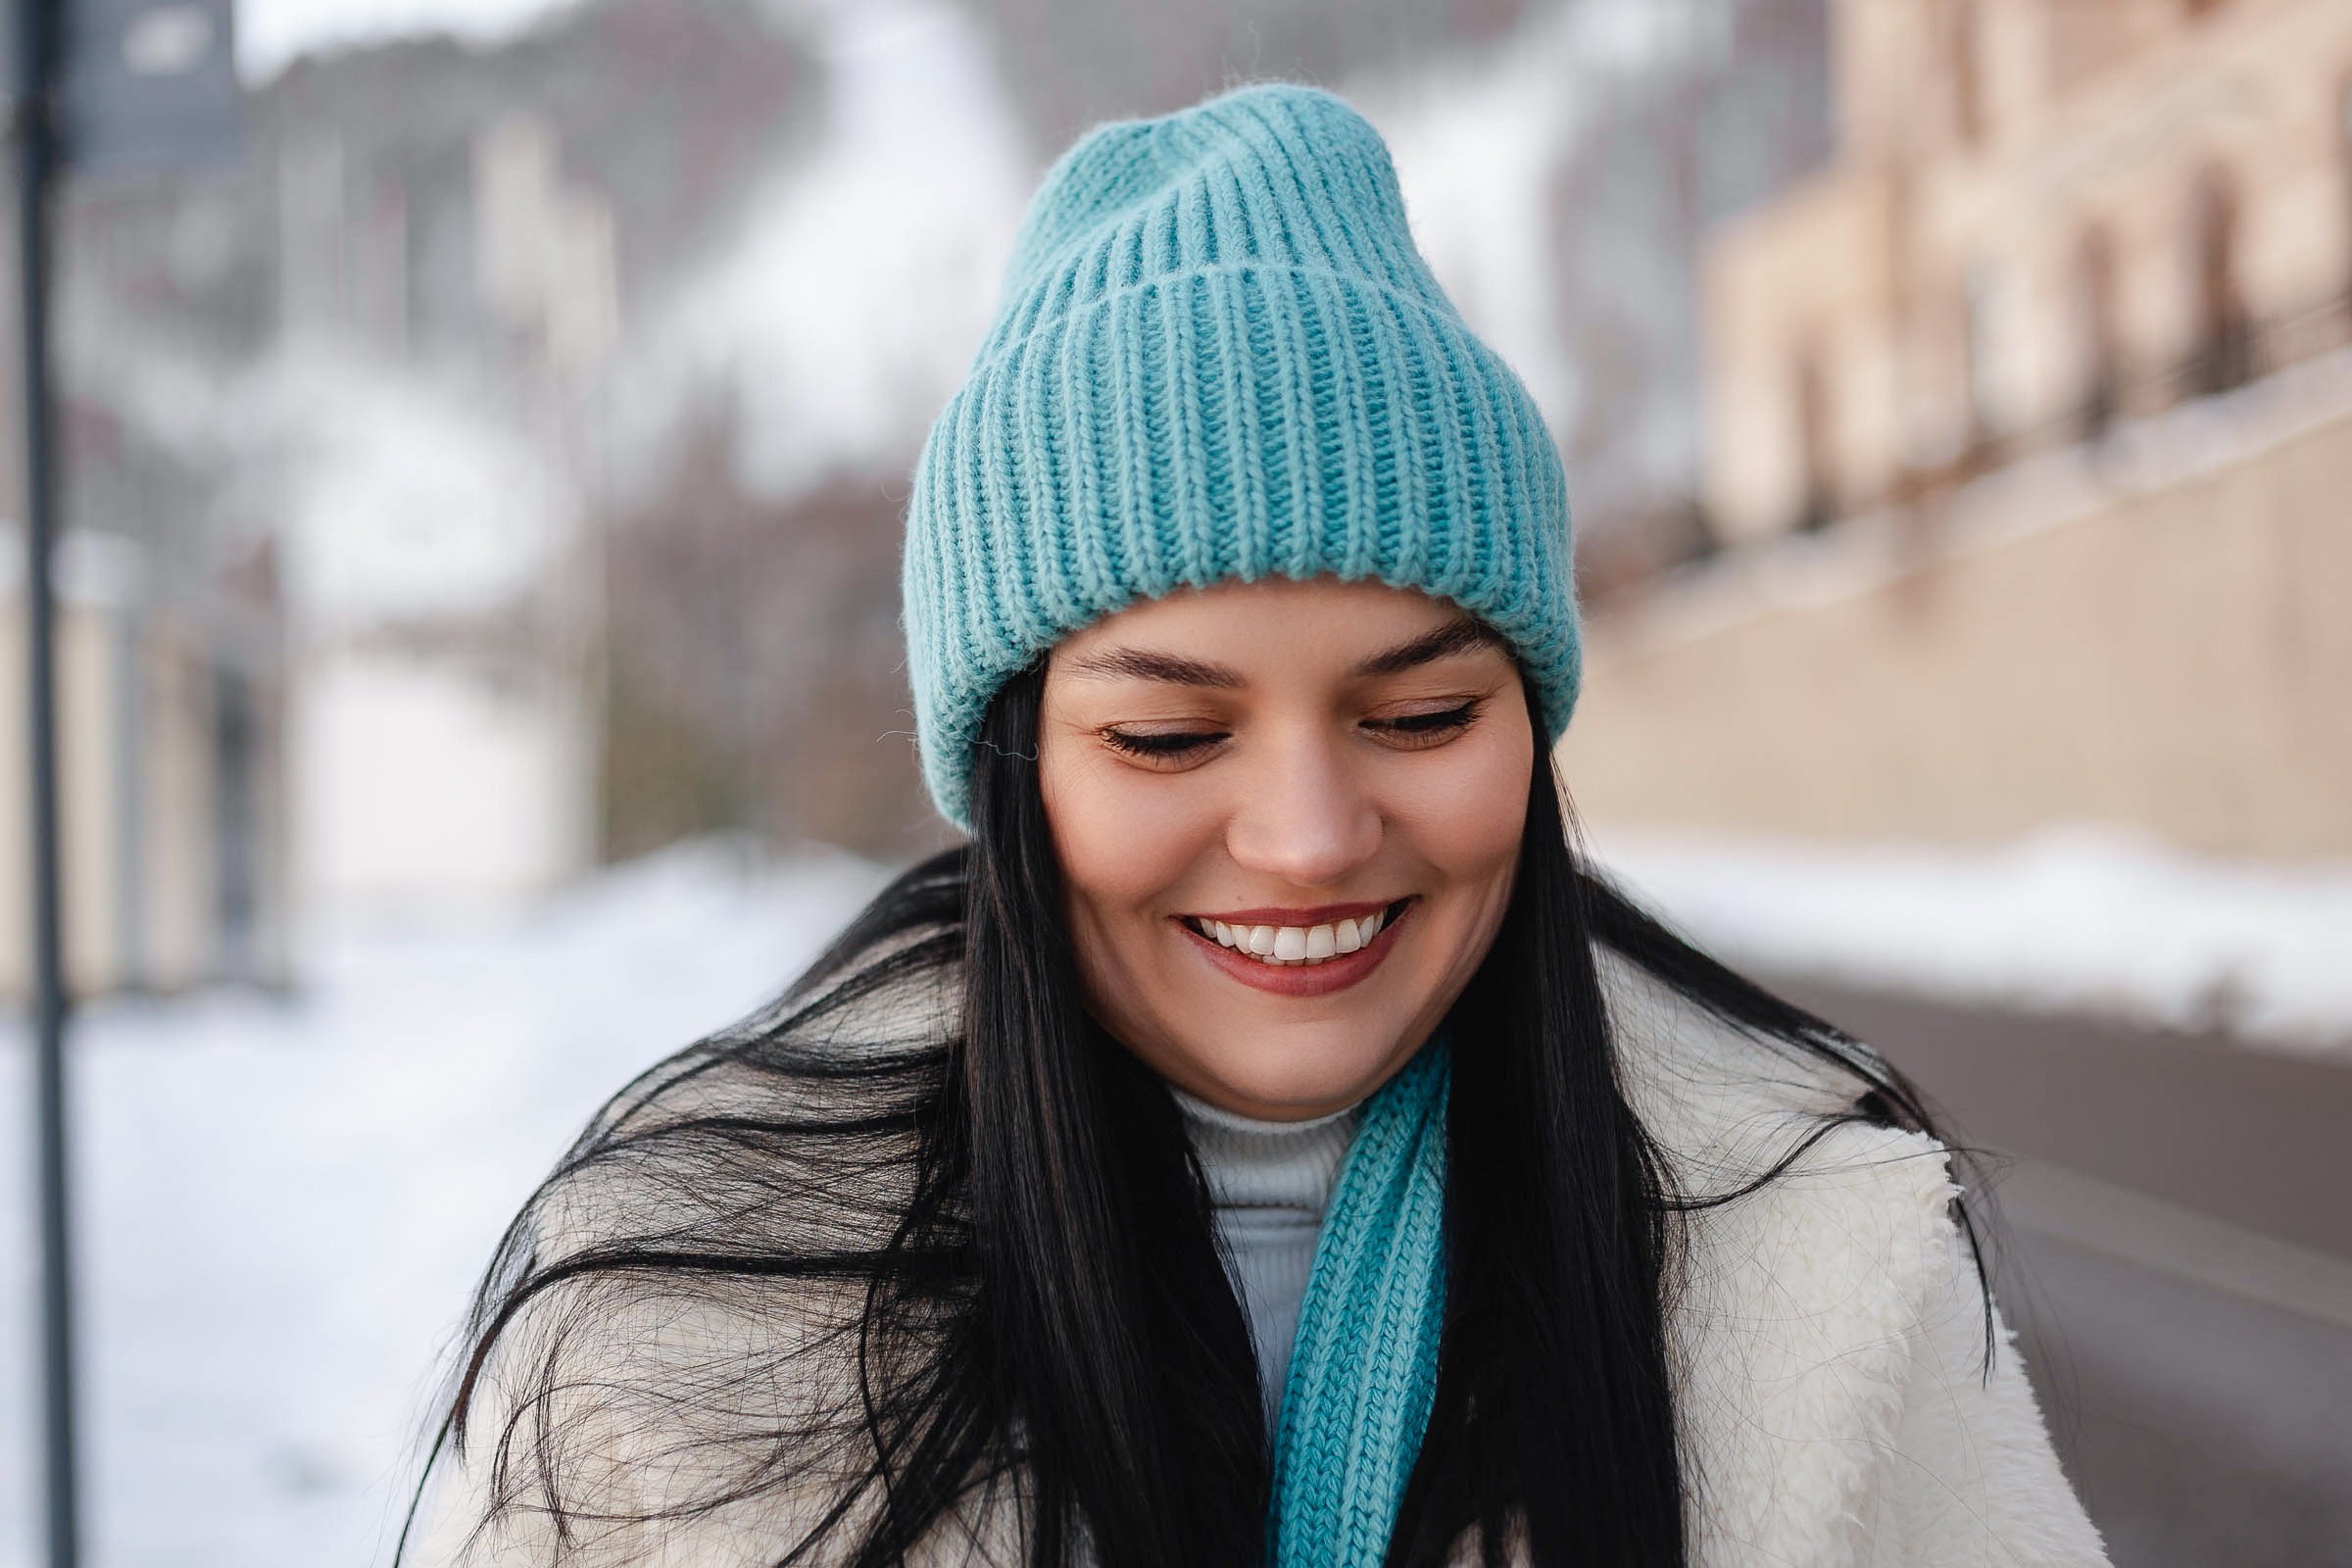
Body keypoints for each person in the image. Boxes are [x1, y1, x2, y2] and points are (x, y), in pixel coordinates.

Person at [401, 81, 2107, 1567]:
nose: (1305, 835)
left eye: (1423, 715)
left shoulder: (1821, 1259)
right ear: (1013, 771)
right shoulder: (677, 1325)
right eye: (1165, 733)